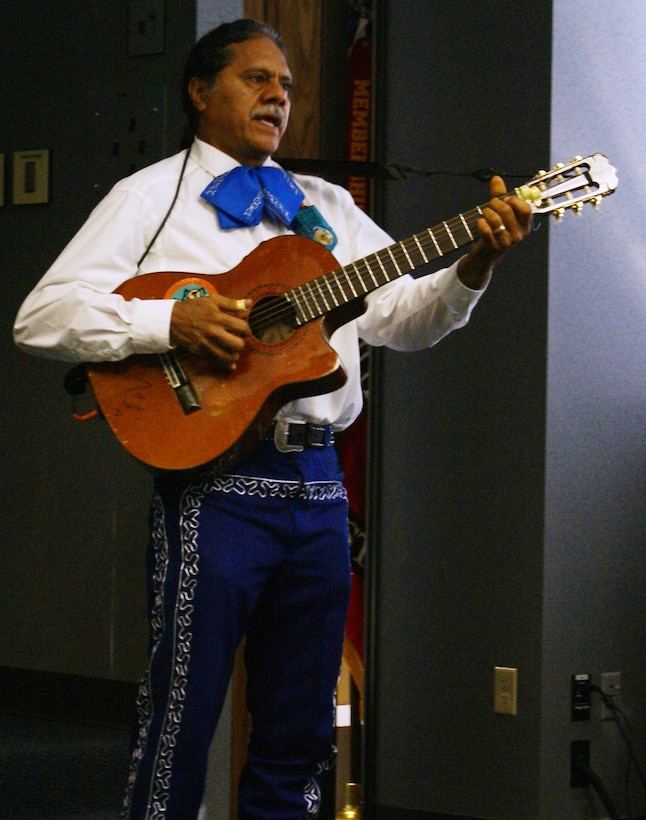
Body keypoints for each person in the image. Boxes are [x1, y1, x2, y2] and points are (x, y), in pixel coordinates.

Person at [13, 18, 532, 820]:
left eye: (285, 85)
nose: (277, 95)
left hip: (320, 489)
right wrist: (167, 325)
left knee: (298, 735)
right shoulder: (148, 197)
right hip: (215, 487)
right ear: (199, 90)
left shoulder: (325, 208)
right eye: (256, 78)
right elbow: (41, 318)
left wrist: (476, 262)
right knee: (179, 721)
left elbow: (404, 318)